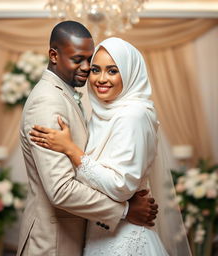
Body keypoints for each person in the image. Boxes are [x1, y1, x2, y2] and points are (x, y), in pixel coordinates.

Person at [30, 37, 192, 255]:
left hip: (125, 240)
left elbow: (121, 186)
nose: (101, 79)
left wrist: (70, 149)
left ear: (129, 72)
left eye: (112, 71)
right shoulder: (102, 115)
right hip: (101, 233)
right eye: (95, 70)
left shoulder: (133, 115)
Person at [17, 21, 158, 256]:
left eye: (89, 61)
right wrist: (124, 211)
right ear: (54, 55)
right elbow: (61, 189)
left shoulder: (70, 97)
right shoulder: (48, 102)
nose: (86, 67)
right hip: (54, 241)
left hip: (82, 235)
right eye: (77, 59)